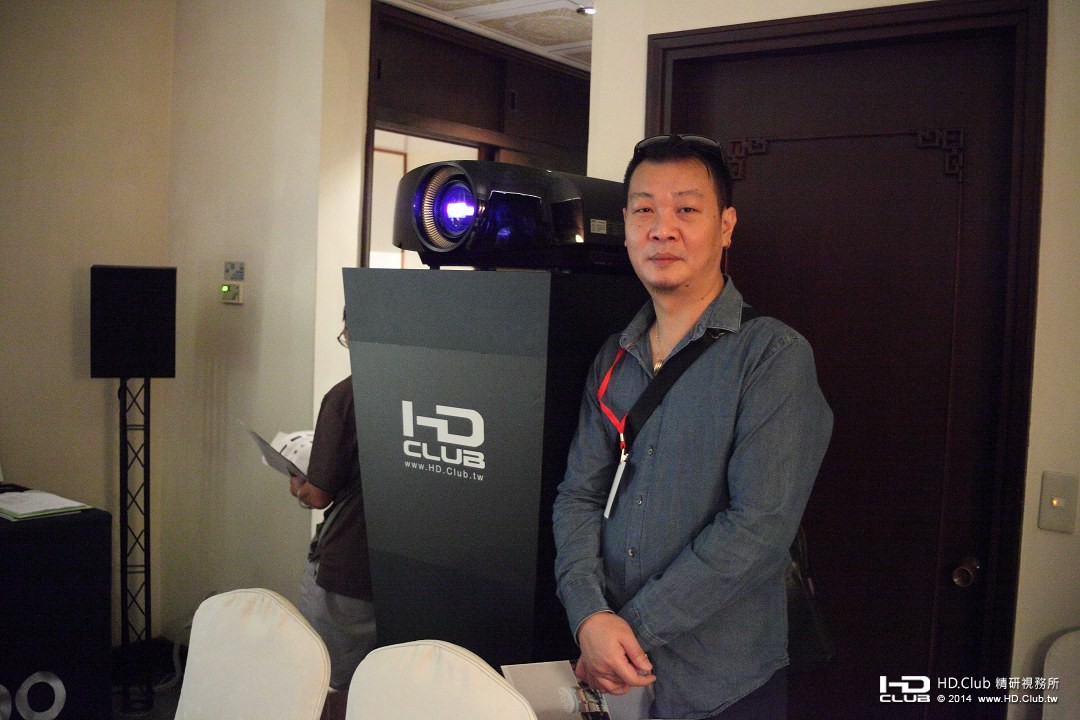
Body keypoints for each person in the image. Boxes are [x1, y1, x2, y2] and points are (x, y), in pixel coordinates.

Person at [552, 134, 833, 720]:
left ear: (725, 227)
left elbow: (758, 528)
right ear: (625, 226)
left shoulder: (772, 356)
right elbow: (579, 493)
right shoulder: (614, 356)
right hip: (612, 669)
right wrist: (588, 615)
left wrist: (627, 629)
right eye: (644, 210)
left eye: (686, 208)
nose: (663, 229)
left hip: (722, 682)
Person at [289, 316, 375, 720]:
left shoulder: (345, 397)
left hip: (346, 568)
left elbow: (319, 493)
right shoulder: (424, 389)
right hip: (400, 575)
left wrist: (299, 486)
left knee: (323, 686)